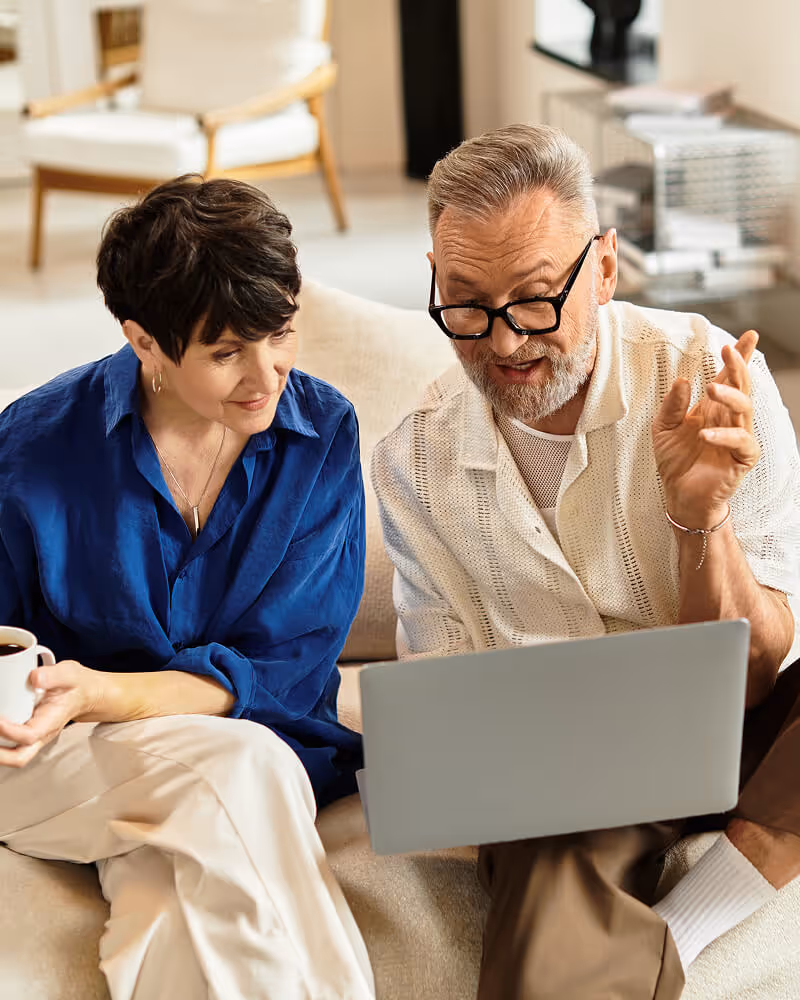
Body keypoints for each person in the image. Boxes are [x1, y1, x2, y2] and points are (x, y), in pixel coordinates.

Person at [371, 124, 800, 998]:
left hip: (741, 723)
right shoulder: (413, 459)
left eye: (533, 300)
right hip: (569, 768)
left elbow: (758, 671)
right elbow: (453, 720)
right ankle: (628, 946)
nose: (502, 342)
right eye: (464, 304)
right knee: (544, 851)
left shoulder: (711, 378)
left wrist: (698, 522)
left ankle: (678, 933)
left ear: (604, 267)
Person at [0, 175, 374, 1000]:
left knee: (171, 901)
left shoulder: (322, 436)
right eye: (225, 351)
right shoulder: (30, 450)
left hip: (250, 745)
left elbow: (283, 676)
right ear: (144, 343)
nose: (266, 374)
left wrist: (102, 692)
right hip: (53, 761)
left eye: (280, 334)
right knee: (240, 770)